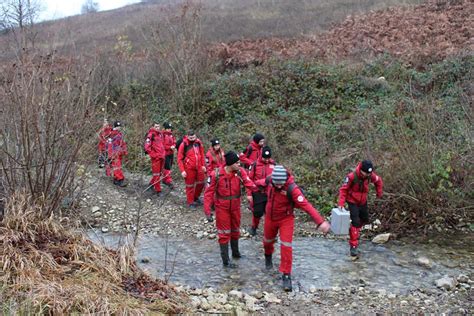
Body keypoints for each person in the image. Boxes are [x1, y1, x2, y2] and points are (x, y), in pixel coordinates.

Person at [256, 165, 330, 292]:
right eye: (276, 183)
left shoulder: (292, 189)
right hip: (269, 218)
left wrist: (320, 222)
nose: (278, 186)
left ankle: (286, 275)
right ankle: (268, 258)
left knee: (286, 246)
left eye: (281, 184)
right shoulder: (269, 180)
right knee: (267, 241)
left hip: (286, 219)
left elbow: (306, 205)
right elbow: (258, 183)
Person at [204, 151, 258, 268]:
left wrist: (263, 190)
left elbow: (250, 184)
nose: (239, 164)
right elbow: (208, 193)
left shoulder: (240, 172)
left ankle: (236, 253)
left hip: (235, 207)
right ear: (230, 164)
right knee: (224, 234)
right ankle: (226, 261)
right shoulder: (216, 175)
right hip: (222, 208)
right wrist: (207, 211)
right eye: (237, 162)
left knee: (235, 230)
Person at [338, 160, 383, 257]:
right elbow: (343, 190)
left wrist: (379, 193)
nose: (367, 175)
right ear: (361, 170)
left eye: (369, 173)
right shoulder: (351, 177)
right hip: (352, 201)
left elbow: (378, 181)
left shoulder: (370, 175)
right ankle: (353, 246)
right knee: (356, 222)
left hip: (363, 201)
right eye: (366, 173)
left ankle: (354, 231)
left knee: (365, 220)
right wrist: (341, 203)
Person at [246, 146, 275, 236]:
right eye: (264, 158)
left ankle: (270, 231)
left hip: (270, 193)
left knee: (270, 213)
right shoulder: (254, 165)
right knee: (257, 212)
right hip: (257, 192)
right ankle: (254, 227)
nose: (266, 160)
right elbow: (248, 180)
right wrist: (249, 194)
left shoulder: (274, 164)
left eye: (268, 158)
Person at [177, 130, 206, 208]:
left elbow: (202, 154)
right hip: (189, 168)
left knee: (201, 183)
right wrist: (182, 170)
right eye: (191, 137)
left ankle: (195, 197)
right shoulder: (184, 144)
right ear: (187, 136)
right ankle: (190, 202)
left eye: (194, 137)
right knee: (189, 186)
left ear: (195, 136)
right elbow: (179, 159)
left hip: (199, 167)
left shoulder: (198, 143)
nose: (192, 139)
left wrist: (203, 165)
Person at [144, 122, 165, 195]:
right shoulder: (150, 135)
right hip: (156, 158)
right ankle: (158, 190)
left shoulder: (160, 134)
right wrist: (154, 155)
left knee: (159, 174)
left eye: (158, 126)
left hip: (161, 156)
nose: (157, 128)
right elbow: (147, 147)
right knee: (156, 174)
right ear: (152, 127)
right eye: (156, 127)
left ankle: (151, 185)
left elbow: (162, 145)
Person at [106, 121, 128, 187]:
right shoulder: (111, 134)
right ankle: (120, 179)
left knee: (118, 166)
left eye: (119, 126)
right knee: (116, 167)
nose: (119, 128)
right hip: (114, 153)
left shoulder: (119, 134)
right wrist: (110, 154)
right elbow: (109, 145)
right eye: (118, 126)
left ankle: (116, 179)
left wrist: (124, 151)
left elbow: (122, 143)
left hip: (119, 153)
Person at [162, 122, 176, 189]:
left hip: (171, 153)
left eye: (170, 128)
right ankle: (168, 181)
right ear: (165, 128)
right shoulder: (162, 135)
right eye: (168, 128)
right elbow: (162, 145)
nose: (169, 130)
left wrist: (174, 146)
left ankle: (165, 179)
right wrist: (169, 147)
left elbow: (174, 142)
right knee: (167, 167)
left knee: (169, 167)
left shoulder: (171, 135)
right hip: (165, 153)